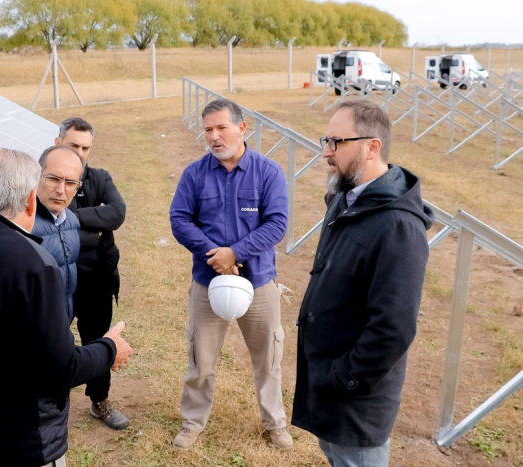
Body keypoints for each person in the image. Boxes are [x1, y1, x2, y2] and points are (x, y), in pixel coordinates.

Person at [0, 148, 133, 467]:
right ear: (31, 199)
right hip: (22, 444)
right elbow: (62, 369)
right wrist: (109, 349)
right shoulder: (32, 266)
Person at [291, 100, 434, 467]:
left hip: (356, 401)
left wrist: (344, 378)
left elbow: (393, 328)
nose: (326, 152)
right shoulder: (346, 199)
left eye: (337, 142)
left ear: (373, 146)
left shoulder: (398, 228)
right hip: (329, 387)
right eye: (326, 140)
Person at [169, 98, 292, 450]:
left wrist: (236, 253)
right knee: (201, 360)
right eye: (208, 129)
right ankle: (192, 422)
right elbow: (179, 220)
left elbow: (277, 223)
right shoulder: (195, 174)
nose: (214, 136)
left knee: (268, 357)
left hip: (259, 282)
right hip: (208, 282)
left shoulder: (268, 172)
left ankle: (275, 423)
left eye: (221, 127)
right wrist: (215, 256)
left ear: (242, 127)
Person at [56, 118, 129, 430]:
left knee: (99, 341)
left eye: (86, 147)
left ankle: (100, 401)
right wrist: (92, 230)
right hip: (56, 282)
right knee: (51, 343)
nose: (81, 153)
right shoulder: (46, 180)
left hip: (96, 280)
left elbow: (116, 213)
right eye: (74, 145)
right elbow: (44, 230)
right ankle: (47, 403)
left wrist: (68, 216)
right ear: (58, 141)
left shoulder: (100, 178)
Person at [31, 145, 84, 322]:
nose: (61, 190)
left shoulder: (72, 222)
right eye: (54, 179)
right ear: (37, 176)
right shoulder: (22, 226)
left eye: (70, 183)